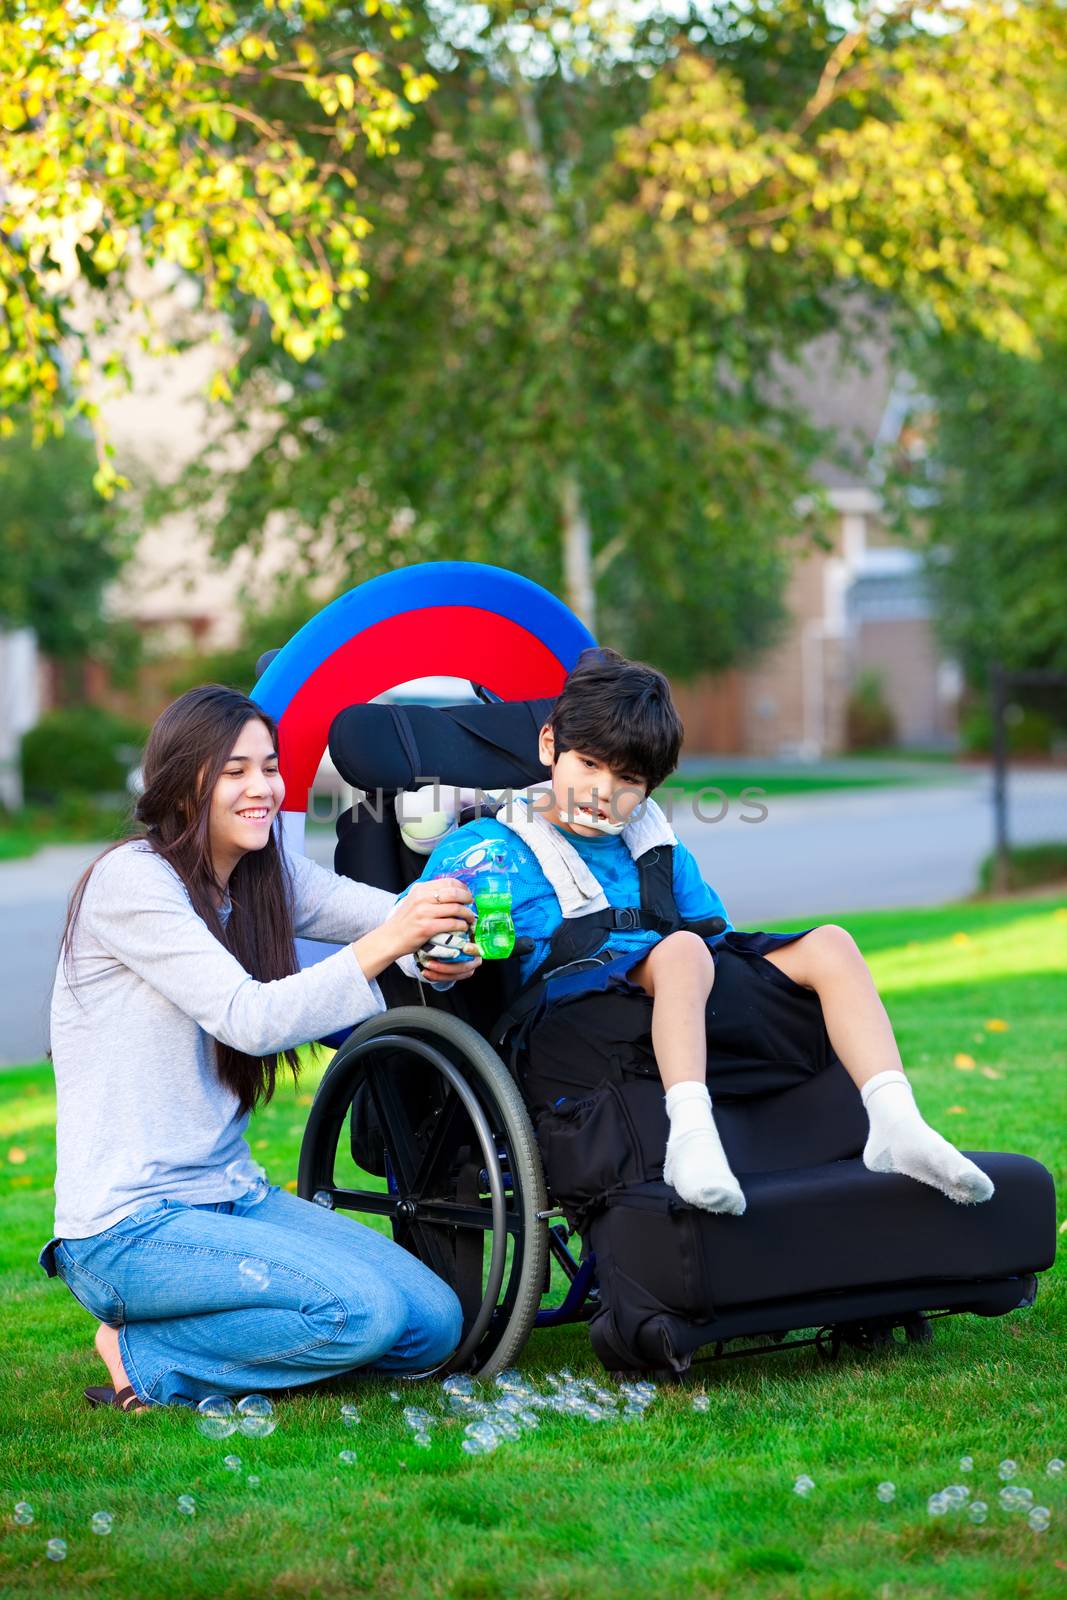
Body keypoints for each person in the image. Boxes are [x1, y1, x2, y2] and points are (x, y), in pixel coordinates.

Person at [402, 648, 995, 1216]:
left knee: (830, 945)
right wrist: (440, 955)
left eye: (628, 780)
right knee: (681, 952)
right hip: (569, 1020)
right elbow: (414, 926)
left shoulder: (657, 850)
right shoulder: (485, 849)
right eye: (588, 766)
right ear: (550, 746)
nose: (603, 794)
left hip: (676, 991)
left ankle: (897, 1122)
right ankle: (691, 1136)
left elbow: (720, 938)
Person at [39, 684, 483, 1413]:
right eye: (235, 770)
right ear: (184, 784)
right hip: (128, 1226)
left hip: (230, 1196)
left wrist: (436, 942)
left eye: (269, 767)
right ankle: (140, 1351)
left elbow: (384, 917)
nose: (262, 788)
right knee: (362, 1313)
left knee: (432, 1326)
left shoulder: (262, 872)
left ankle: (232, 1325)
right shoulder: (133, 881)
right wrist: (391, 944)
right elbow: (249, 1018)